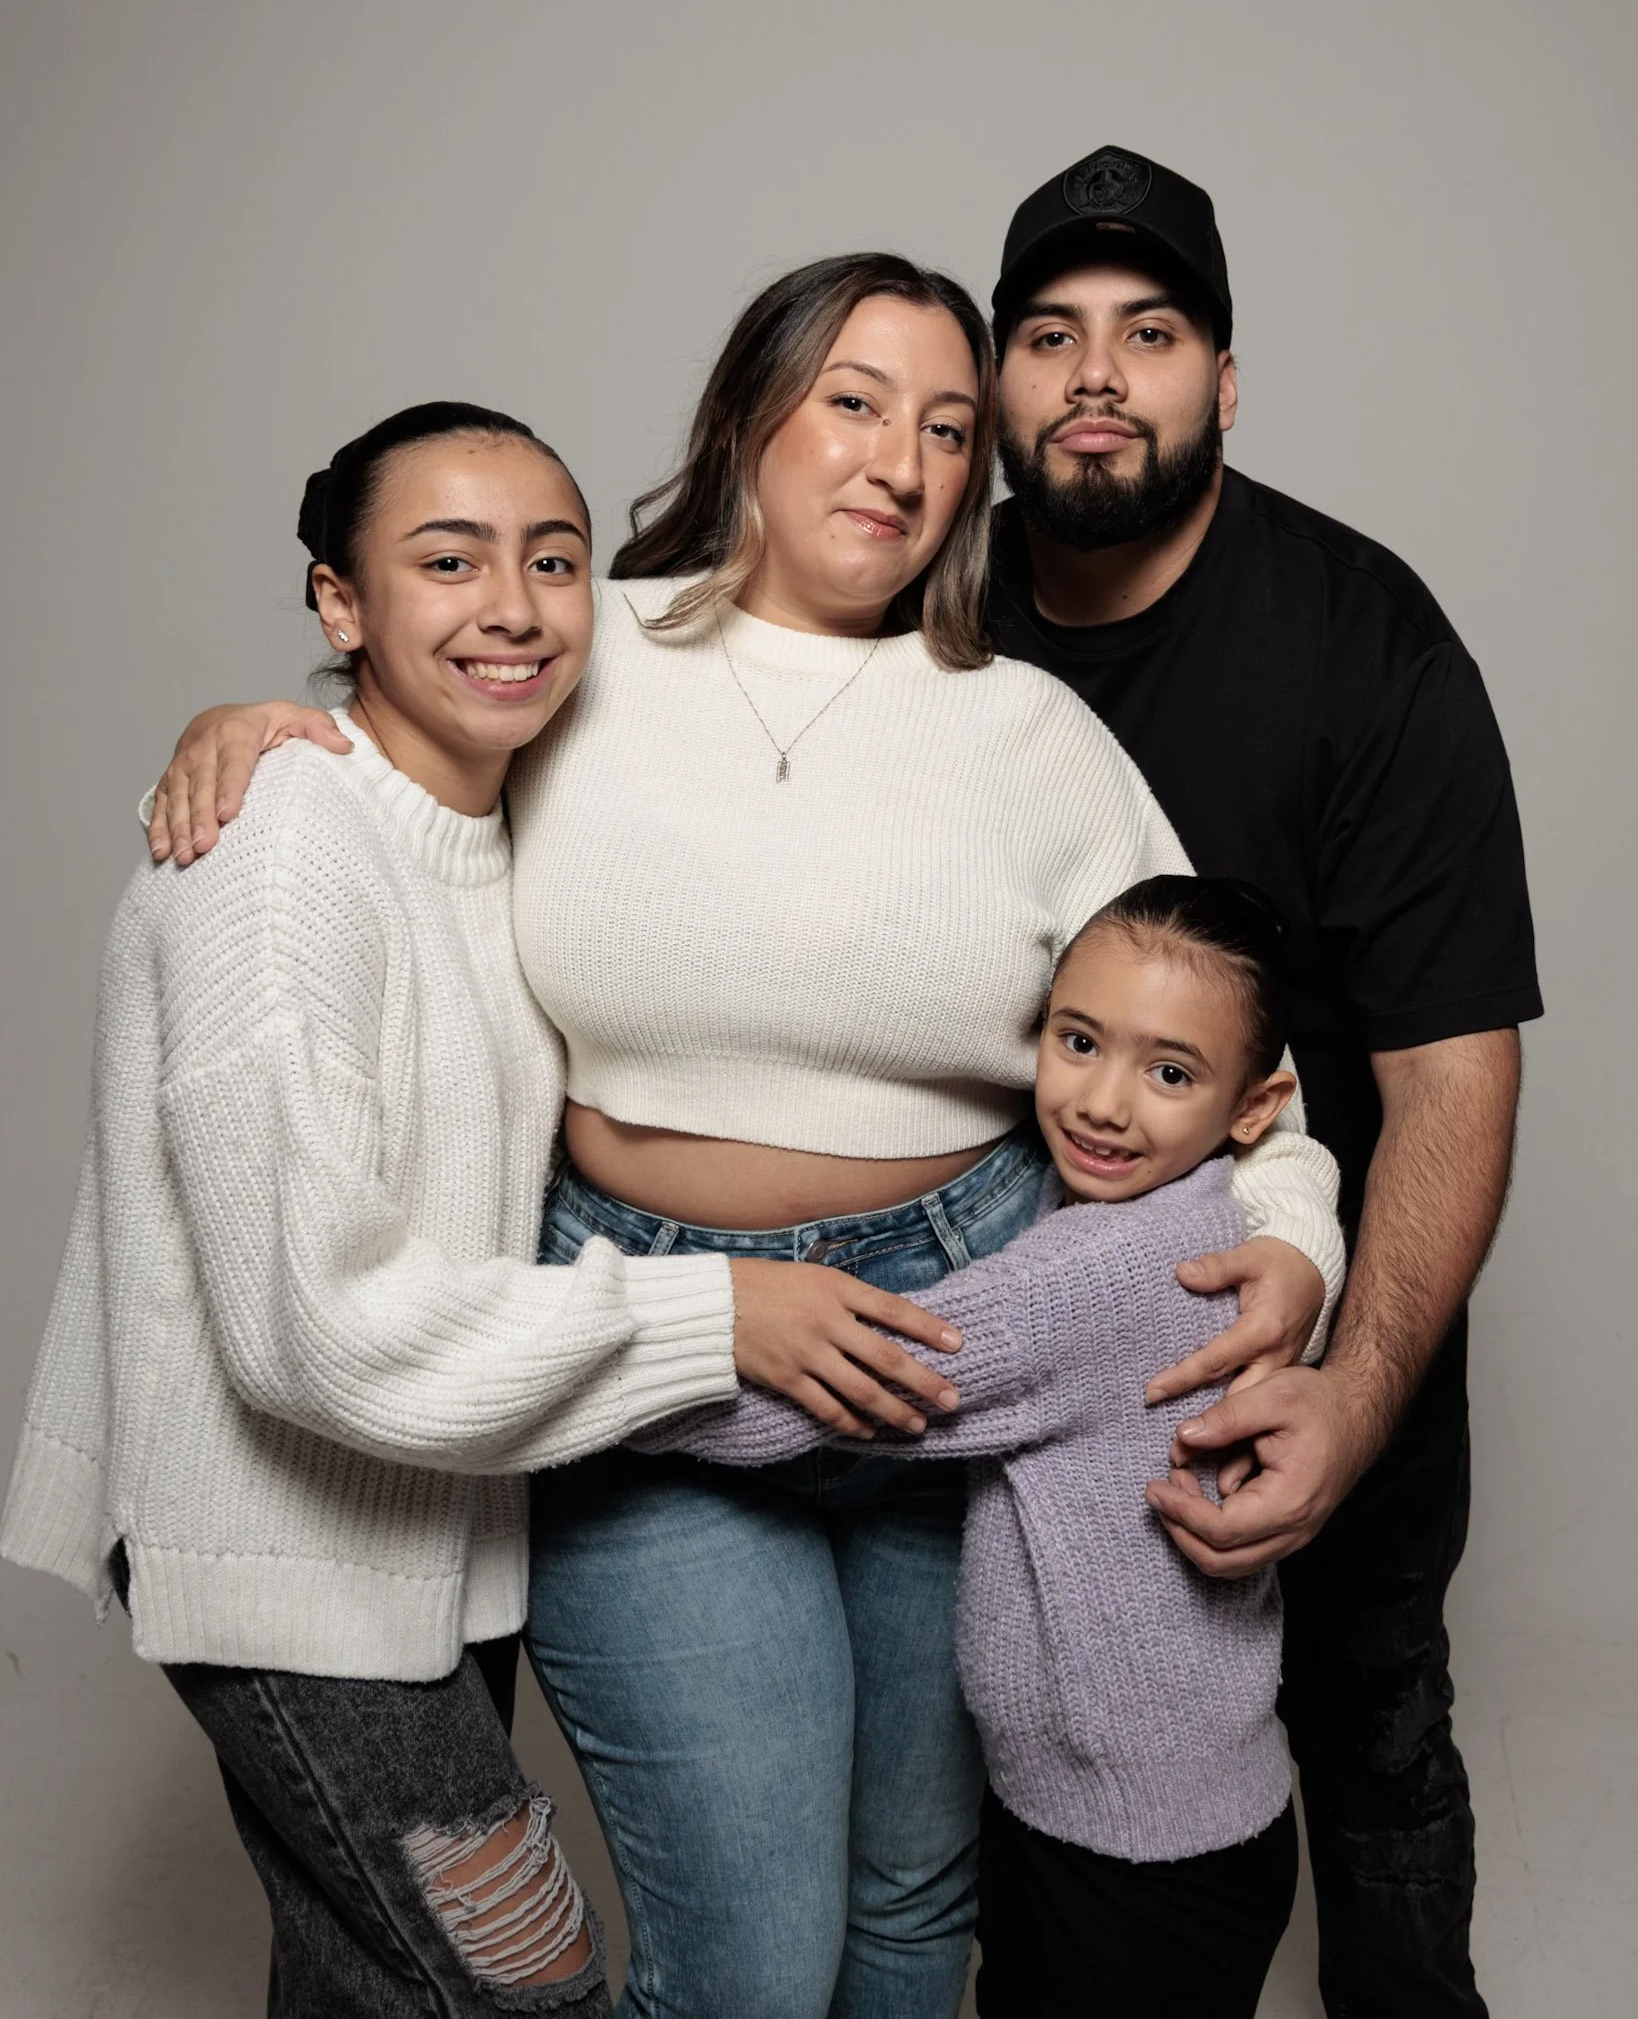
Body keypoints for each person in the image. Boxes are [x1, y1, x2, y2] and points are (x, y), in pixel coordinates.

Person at [138, 255, 1346, 2019]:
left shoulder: (1028, 729)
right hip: (648, 1343)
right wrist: (271, 726)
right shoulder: (581, 643)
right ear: (749, 414)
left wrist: (1297, 1249)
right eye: (854, 400)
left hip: (958, 1340)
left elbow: (1242, 1063)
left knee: (913, 1913)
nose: (903, 460)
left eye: (947, 426)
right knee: (749, 1965)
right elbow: (403, 751)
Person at [0, 400, 962, 2018]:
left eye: (553, 560)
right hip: (295, 1554)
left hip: (431, 1530)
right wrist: (720, 1317)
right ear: (338, 604)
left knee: (360, 1986)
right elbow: (313, 1320)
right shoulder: (281, 847)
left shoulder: (505, 811)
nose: (513, 604)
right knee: (527, 1979)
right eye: (443, 561)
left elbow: (754, 615)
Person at [982, 145, 1541, 2017]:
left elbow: (1450, 1065)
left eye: (1147, 333)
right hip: (1013, 1342)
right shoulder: (919, 604)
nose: (1090, 374)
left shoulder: (1362, 637)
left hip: (1310, 1323)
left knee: (1371, 1738)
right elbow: (595, 645)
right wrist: (307, 718)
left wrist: (1357, 1388)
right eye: (1046, 332)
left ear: (1221, 383)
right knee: (1001, 1803)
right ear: (990, 384)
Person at [642, 873, 1333, 2019]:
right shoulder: (1185, 1211)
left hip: (1138, 1855)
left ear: (1256, 1108)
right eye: (1078, 1041)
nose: (1105, 1102)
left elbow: (827, 1397)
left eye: (1170, 1072)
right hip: (1141, 1813)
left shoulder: (1100, 1270)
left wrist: (595, 1378)